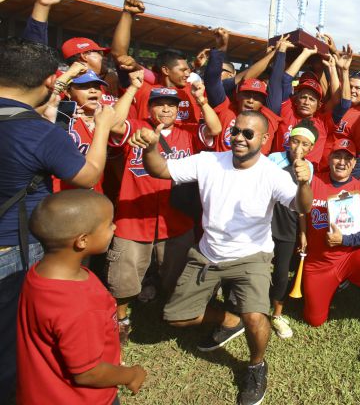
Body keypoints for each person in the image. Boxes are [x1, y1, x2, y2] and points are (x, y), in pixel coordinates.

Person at [135, 109, 312, 405]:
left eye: (248, 133)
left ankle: (256, 365)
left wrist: (304, 183)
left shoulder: (271, 173)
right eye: (235, 131)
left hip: (252, 256)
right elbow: (160, 170)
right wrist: (151, 147)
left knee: (255, 316)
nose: (238, 138)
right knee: (176, 317)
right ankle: (230, 318)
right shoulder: (209, 161)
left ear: (265, 140)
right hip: (208, 254)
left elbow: (301, 206)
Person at [0, 39, 117, 399]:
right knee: (10, 341)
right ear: (52, 82)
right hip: (12, 249)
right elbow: (88, 174)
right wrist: (103, 126)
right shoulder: (37, 132)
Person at [106, 83, 221, 345]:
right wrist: (133, 89)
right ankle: (121, 319)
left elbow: (214, 129)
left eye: (172, 104)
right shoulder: (136, 128)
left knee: (177, 274)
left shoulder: (188, 133)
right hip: (134, 216)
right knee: (124, 276)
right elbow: (113, 125)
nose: (166, 108)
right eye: (159, 103)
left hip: (175, 219)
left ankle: (174, 312)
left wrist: (201, 101)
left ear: (179, 109)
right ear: (149, 107)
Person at [16, 190, 146, 404]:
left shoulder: (38, 274)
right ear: (82, 240)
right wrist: (131, 375)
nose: (115, 227)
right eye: (109, 224)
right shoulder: (78, 304)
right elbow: (88, 372)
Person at [302, 138, 360, 341]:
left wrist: (345, 240)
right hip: (318, 261)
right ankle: (336, 284)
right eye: (337, 156)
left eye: (348, 158)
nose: (342, 162)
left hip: (350, 257)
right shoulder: (314, 180)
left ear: (354, 163)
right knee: (314, 320)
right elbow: (299, 212)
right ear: (329, 158)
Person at [267, 120, 318, 339]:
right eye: (295, 142)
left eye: (304, 144)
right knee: (258, 269)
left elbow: (303, 204)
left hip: (288, 227)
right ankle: (251, 307)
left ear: (311, 148)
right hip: (266, 223)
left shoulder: (310, 167)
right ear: (288, 141)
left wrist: (303, 232)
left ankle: (277, 315)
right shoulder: (272, 159)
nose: (298, 148)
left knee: (281, 273)